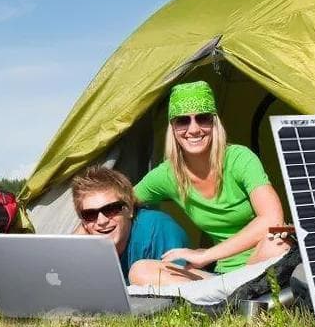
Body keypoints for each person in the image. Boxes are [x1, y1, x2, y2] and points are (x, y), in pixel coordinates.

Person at [134, 80, 290, 275]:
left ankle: (237, 294)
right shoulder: (167, 174)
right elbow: (121, 201)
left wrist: (206, 255)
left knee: (275, 243)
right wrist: (88, 227)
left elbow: (272, 219)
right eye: (182, 120)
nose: (193, 129)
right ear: (172, 128)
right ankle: (227, 294)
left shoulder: (239, 159)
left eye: (202, 118)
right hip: (220, 273)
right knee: (141, 271)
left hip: (259, 262)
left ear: (214, 122)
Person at [71, 166, 203, 286]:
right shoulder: (88, 242)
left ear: (129, 209)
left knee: (140, 272)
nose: (101, 221)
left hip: (202, 289)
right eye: (90, 214)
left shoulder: (157, 227)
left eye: (110, 209)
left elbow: (186, 286)